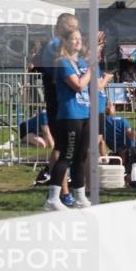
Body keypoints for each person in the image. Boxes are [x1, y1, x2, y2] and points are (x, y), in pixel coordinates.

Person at [45, 29, 94, 210]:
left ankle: (80, 196)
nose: (77, 42)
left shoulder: (80, 62)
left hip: (84, 113)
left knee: (81, 156)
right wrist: (90, 71)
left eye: (79, 39)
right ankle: (52, 198)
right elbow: (78, 85)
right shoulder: (62, 62)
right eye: (73, 39)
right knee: (66, 155)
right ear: (66, 42)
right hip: (70, 114)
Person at [35, 13, 80, 207]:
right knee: (62, 148)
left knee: (66, 148)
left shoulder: (57, 45)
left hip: (64, 103)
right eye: (72, 27)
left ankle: (62, 190)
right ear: (62, 26)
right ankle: (61, 191)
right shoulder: (55, 45)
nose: (75, 32)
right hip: (58, 103)